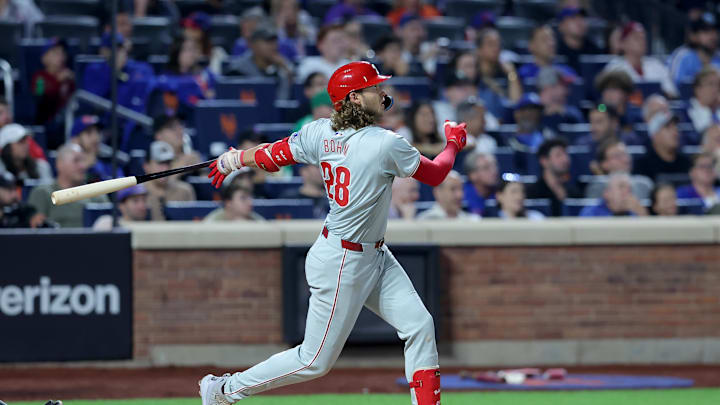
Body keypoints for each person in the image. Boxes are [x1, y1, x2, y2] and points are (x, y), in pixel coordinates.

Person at [202, 61, 469, 405]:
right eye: (374, 88)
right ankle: (223, 390)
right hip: (343, 261)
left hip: (370, 254)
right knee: (313, 361)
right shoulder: (385, 143)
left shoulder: (319, 132)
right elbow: (435, 175)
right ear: (355, 98)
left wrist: (235, 160)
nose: (382, 92)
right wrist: (452, 144)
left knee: (419, 325)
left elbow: (273, 155)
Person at [27, 143, 109, 228]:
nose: (82, 166)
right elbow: (35, 230)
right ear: (59, 164)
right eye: (76, 161)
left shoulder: (97, 194)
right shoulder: (43, 193)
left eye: (83, 161)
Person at [601, 21, 678, 98]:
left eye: (643, 37)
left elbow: (672, 93)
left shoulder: (656, 65)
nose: (642, 41)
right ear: (623, 43)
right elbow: (607, 101)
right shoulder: (614, 68)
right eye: (636, 38)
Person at [227, 25, 295, 100]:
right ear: (253, 45)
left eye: (275, 42)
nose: (273, 46)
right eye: (268, 41)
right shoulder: (237, 70)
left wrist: (287, 71)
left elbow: (285, 102)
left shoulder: (280, 70)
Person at [526, 138, 582, 216]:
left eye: (566, 154)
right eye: (558, 155)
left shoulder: (575, 192)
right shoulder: (531, 194)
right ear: (544, 161)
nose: (565, 159)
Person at [143, 140, 196, 220]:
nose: (165, 168)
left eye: (168, 163)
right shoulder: (137, 192)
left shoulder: (185, 191)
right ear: (146, 166)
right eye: (160, 163)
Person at [476, 27, 522, 118]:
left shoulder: (506, 73)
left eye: (498, 44)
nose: (496, 48)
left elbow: (516, 103)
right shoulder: (474, 73)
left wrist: (511, 73)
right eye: (490, 44)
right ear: (479, 49)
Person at [585, 138, 654, 200]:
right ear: (604, 164)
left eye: (625, 154)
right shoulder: (598, 186)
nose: (625, 159)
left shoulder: (644, 185)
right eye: (617, 156)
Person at [634, 111, 692, 182]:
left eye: (675, 127)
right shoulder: (642, 165)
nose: (675, 132)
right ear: (654, 135)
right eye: (668, 127)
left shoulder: (687, 163)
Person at [31, 38, 75, 128]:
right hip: (47, 121)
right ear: (44, 58)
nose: (61, 57)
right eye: (55, 53)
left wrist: (75, 81)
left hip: (68, 117)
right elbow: (40, 99)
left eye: (63, 53)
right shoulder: (39, 77)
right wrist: (58, 82)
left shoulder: (69, 76)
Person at [160, 36, 217, 106]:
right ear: (177, 52)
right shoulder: (168, 75)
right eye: (187, 50)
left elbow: (217, 90)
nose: (192, 54)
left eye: (195, 49)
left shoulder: (206, 73)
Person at [668, 12, 720, 86]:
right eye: (706, 31)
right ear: (694, 36)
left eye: (715, 31)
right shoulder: (683, 56)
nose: (712, 36)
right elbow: (671, 88)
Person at [537, 66, 585, 133]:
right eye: (564, 86)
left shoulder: (571, 112)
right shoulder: (530, 108)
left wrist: (563, 112)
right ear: (549, 87)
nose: (567, 91)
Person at [554, 7, 601, 74]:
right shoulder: (554, 52)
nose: (579, 22)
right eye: (573, 18)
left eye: (582, 18)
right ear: (561, 26)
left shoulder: (595, 50)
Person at [579, 173, 647, 217]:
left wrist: (642, 215)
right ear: (607, 193)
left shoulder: (635, 211)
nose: (627, 191)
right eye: (621, 186)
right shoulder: (591, 213)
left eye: (629, 188)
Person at [685, 67, 720, 136]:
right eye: (711, 84)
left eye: (718, 85)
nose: (716, 89)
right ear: (698, 89)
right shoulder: (688, 111)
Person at [462, 151, 498, 216]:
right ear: (472, 175)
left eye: (494, 165)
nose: (494, 171)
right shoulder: (461, 196)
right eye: (486, 168)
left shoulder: (500, 193)